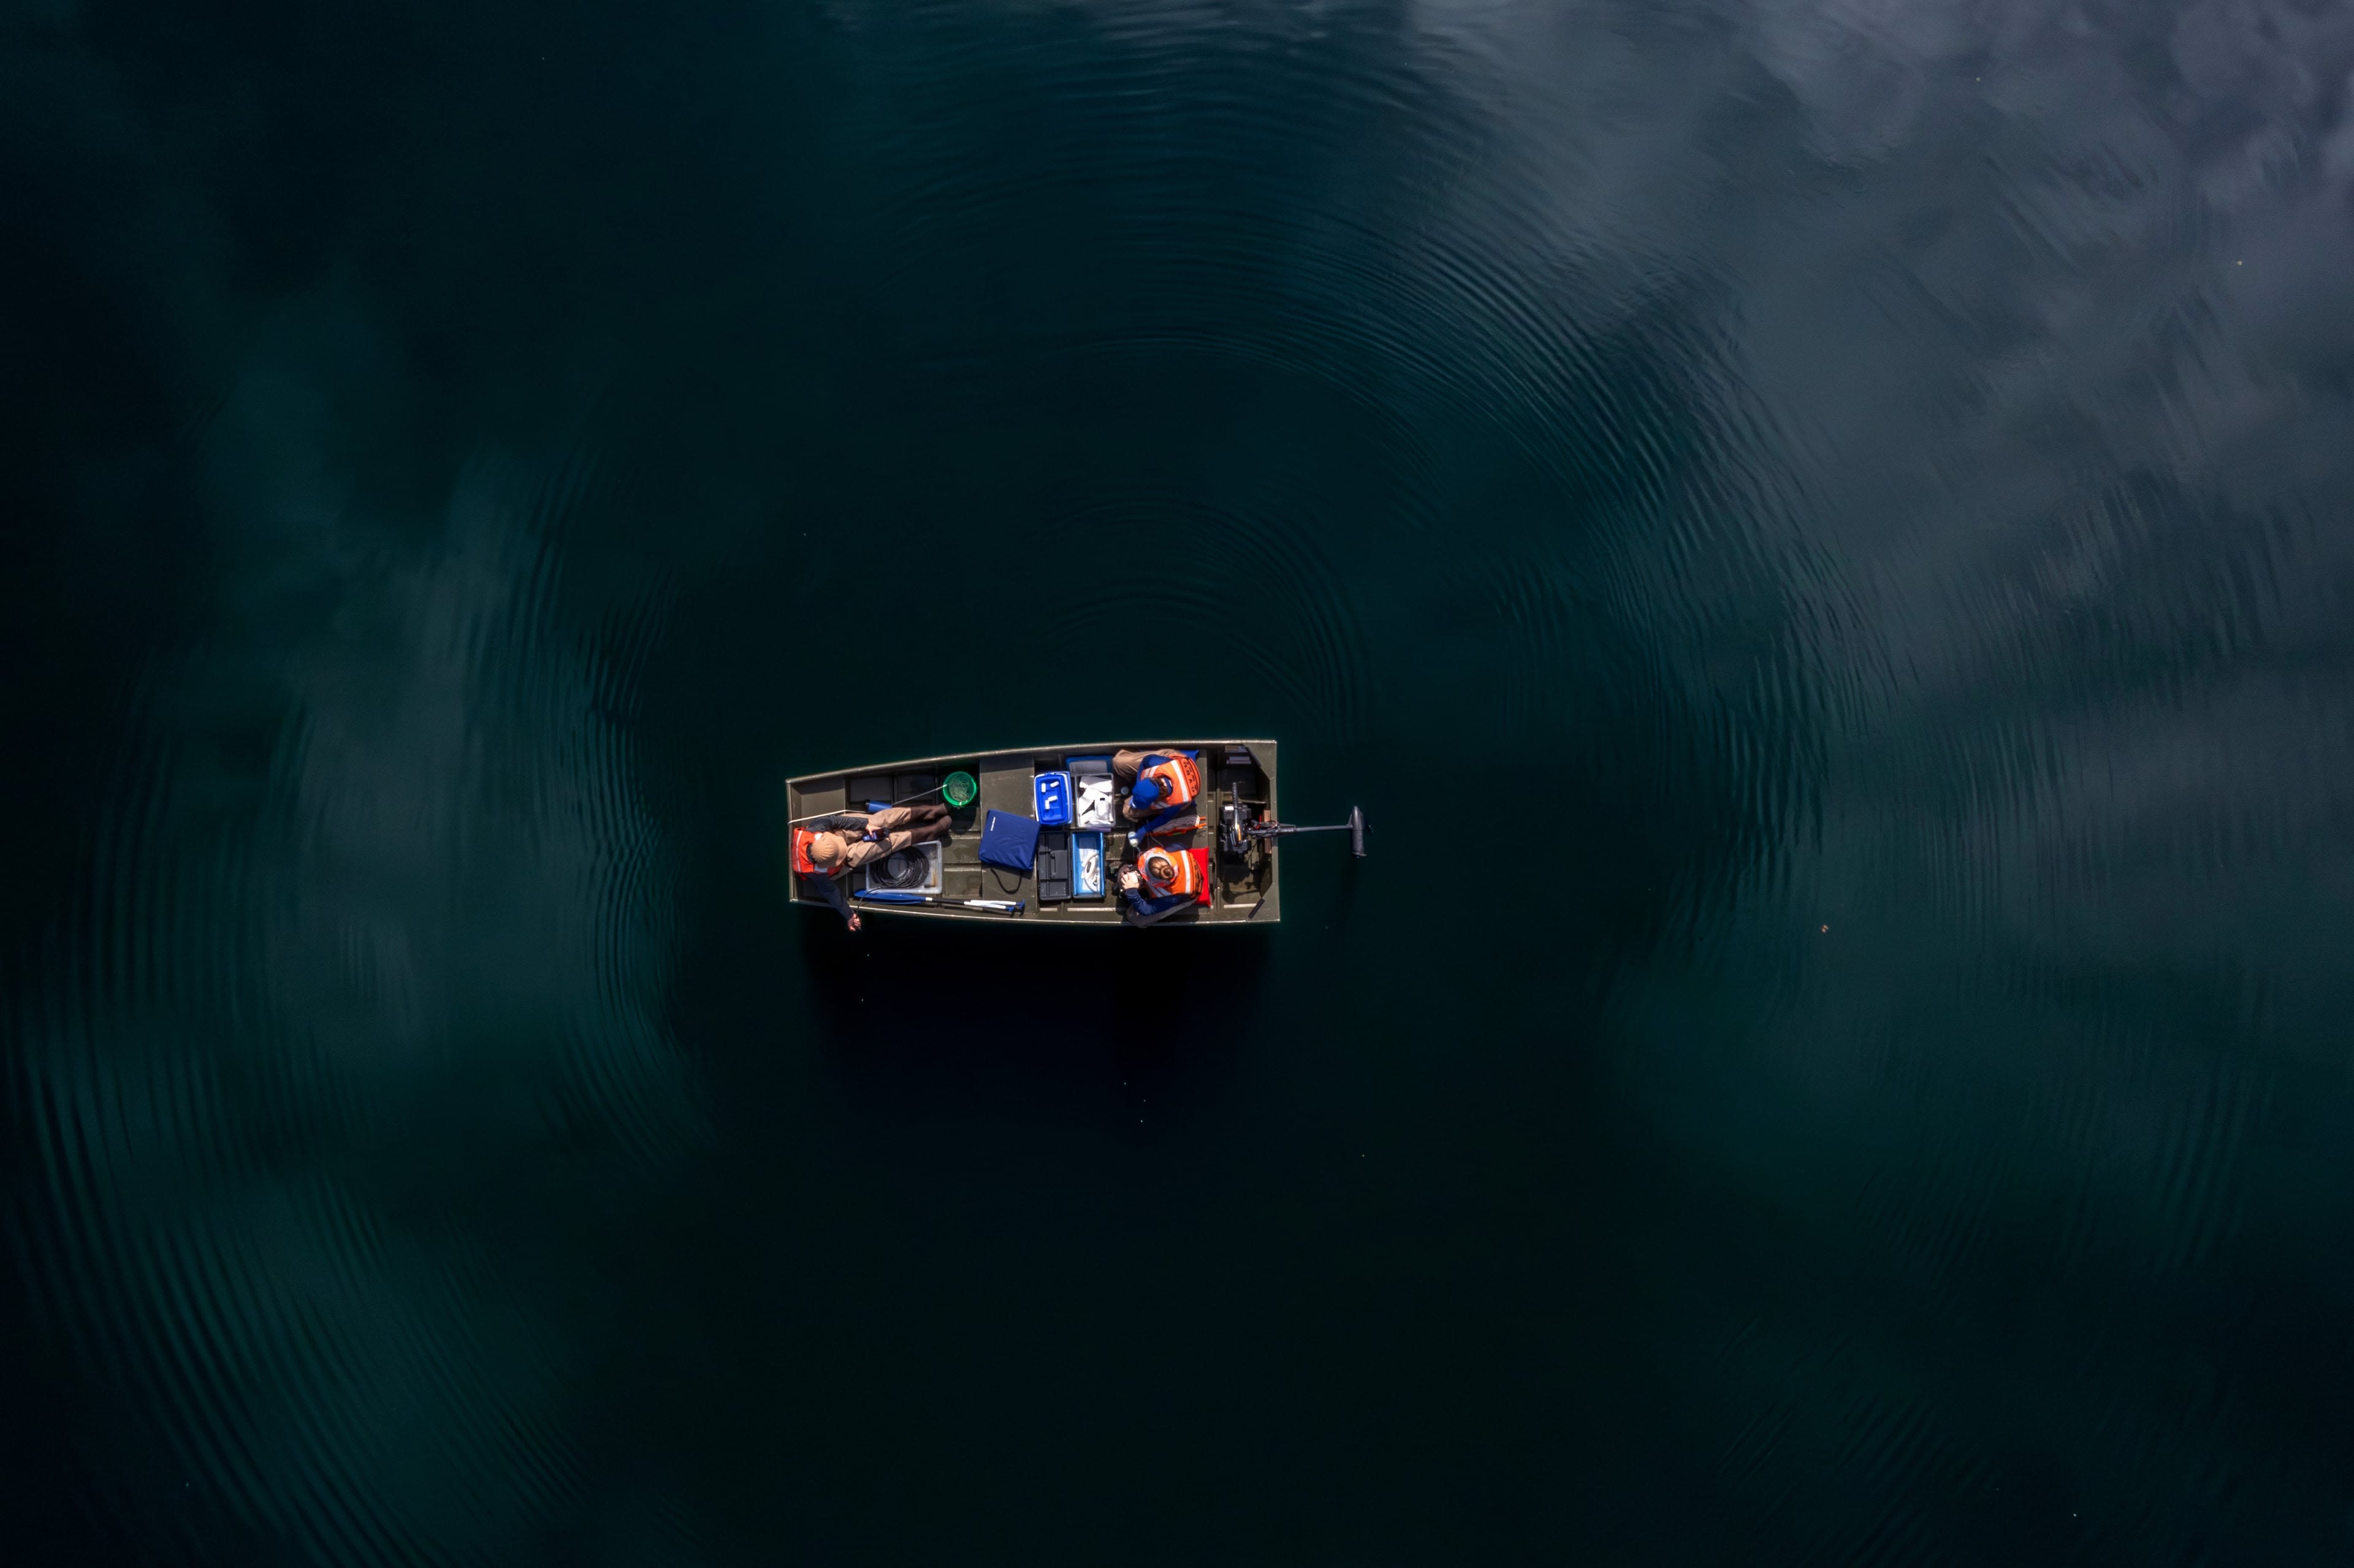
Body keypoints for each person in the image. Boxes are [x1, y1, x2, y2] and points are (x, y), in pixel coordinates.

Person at [796, 804, 954, 931]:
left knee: (879, 821)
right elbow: (831, 893)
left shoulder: (816, 828)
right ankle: (931, 832)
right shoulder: (816, 874)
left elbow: (838, 821)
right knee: (885, 844)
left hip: (837, 836)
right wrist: (849, 916)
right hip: (846, 859)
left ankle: (930, 812)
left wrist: (866, 825)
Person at [1111, 748, 1202, 840]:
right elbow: (1145, 761)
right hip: (1172, 762)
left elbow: (1165, 818)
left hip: (1187, 786)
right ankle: (1130, 778)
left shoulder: (1176, 803)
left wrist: (1144, 830)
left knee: (1127, 812)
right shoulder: (1154, 763)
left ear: (1155, 800)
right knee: (1118, 762)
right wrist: (1140, 782)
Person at [1118, 842, 1200, 925]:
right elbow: (1182, 845)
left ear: (1154, 884)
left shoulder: (1172, 898)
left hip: (1181, 897)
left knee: (1136, 919)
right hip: (1167, 878)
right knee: (1125, 875)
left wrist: (1132, 892)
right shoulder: (1172, 852)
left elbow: (1146, 910)